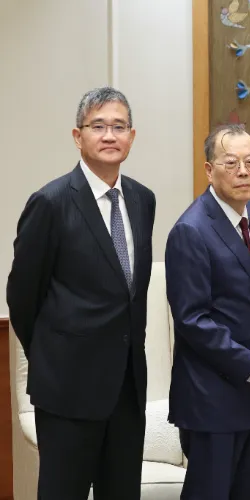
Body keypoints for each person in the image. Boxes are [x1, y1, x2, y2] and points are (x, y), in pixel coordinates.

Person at [7, 87, 155, 499]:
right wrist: (56, 356)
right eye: (98, 126)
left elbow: (132, 294)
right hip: (68, 389)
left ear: (132, 135)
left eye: (119, 126)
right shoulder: (51, 202)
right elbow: (22, 296)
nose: (110, 135)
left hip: (127, 387)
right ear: (78, 136)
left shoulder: (143, 200)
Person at [165, 124, 250, 500]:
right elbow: (192, 320)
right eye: (230, 163)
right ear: (208, 170)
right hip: (212, 400)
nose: (244, 172)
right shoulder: (191, 230)